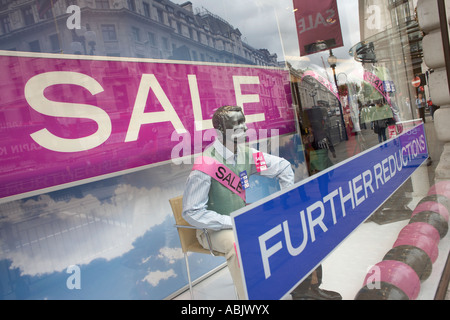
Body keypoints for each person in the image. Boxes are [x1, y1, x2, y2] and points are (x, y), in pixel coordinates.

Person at [182, 105, 341, 300]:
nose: (244, 128)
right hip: (214, 230)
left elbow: (283, 167)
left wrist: (286, 201)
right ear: (220, 131)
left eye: (243, 122)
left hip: (243, 220)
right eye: (236, 125)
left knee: (298, 222)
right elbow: (191, 212)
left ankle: (305, 289)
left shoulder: (246, 155)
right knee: (237, 245)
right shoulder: (205, 164)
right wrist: (231, 223)